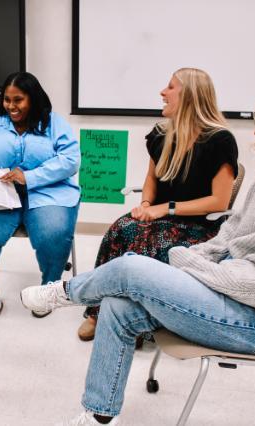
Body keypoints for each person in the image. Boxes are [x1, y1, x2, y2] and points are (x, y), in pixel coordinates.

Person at [21, 80, 255, 425]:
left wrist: (193, 267)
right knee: (117, 305)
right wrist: (200, 260)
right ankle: (100, 415)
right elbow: (229, 236)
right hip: (232, 295)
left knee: (132, 268)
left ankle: (64, 293)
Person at [78, 68, 238, 342]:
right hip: (162, 215)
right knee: (120, 229)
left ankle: (134, 321)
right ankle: (98, 310)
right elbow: (152, 178)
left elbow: (219, 201)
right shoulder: (161, 135)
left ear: (189, 95)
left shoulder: (220, 141)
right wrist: (146, 203)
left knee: (147, 242)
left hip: (199, 224)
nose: (162, 93)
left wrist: (164, 209)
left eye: (170, 87)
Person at [0, 71, 80, 317]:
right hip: (0, 193)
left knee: (54, 233)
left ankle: (48, 291)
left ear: (33, 98)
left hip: (49, 192)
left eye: (18, 100)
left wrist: (29, 177)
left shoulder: (54, 123)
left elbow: (71, 161)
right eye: (7, 100)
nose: (11, 106)